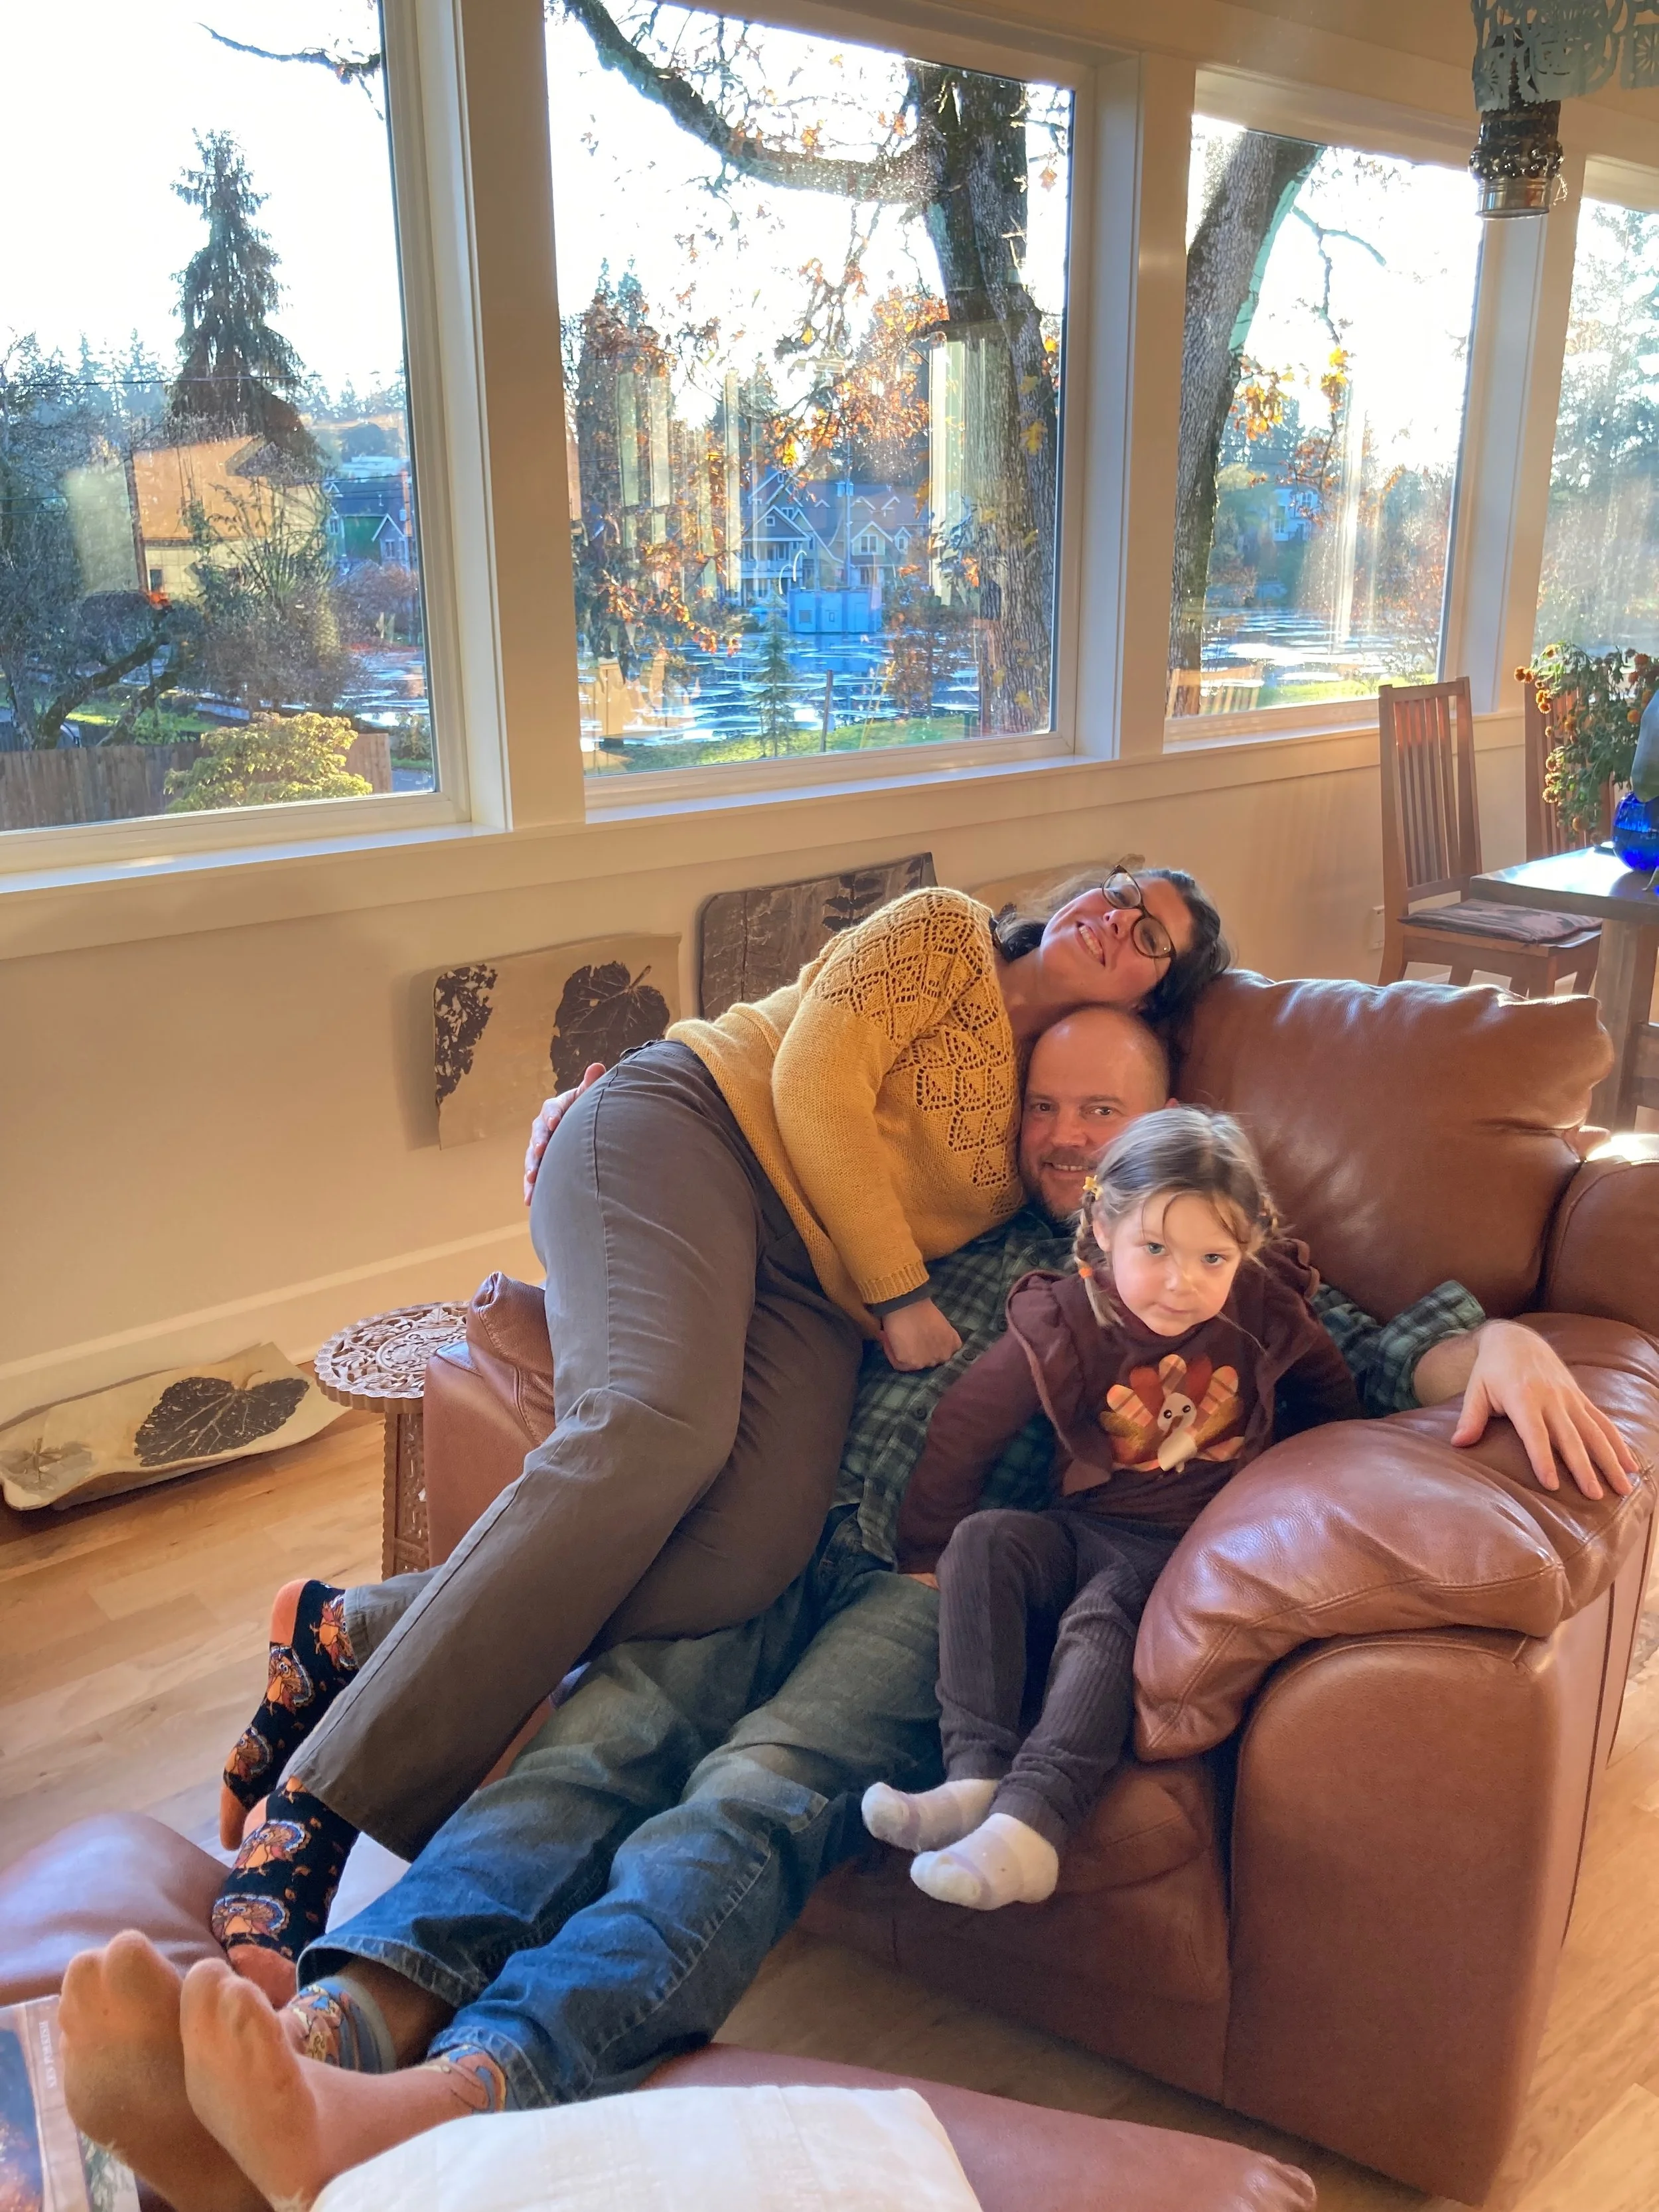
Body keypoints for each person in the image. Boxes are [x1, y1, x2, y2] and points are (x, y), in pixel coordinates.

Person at [58, 1005, 1636, 2212]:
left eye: (1110, 1107)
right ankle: (343, 2023)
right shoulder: (945, 1217)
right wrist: (583, 1134)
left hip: (937, 1599)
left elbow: (1370, 1334)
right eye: (1049, 1103)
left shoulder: (1195, 1253)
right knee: (592, 1748)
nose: (1071, 1130)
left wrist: (1488, 1351)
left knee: (741, 1803)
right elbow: (754, 1167)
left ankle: (463, 2091)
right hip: (773, 1544)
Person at [212, 870, 1228, 1984]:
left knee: (748, 1560)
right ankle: (314, 1809)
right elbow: (812, 1079)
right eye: (1115, 888)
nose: (1106, 916)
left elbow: (1177, 1237)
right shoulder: (948, 930)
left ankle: (346, 1628)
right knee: (655, 1430)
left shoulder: (1058, 1116)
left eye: (1145, 934)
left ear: (1155, 997)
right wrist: (897, 1294)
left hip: (801, 1284)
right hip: (693, 1129)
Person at [863, 1107, 1357, 1909]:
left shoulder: (1263, 1309)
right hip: (1086, 1526)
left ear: (1247, 1250)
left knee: (1105, 1610)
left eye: (1211, 1257)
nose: (1180, 1281)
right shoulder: (1071, 1317)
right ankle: (975, 1776)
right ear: (1101, 1227)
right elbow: (964, 1426)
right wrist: (924, 1552)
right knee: (986, 1540)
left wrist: (1306, 1506)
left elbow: (1333, 1400)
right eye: (1154, 1249)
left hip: (1195, 1548)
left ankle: (1032, 1822)